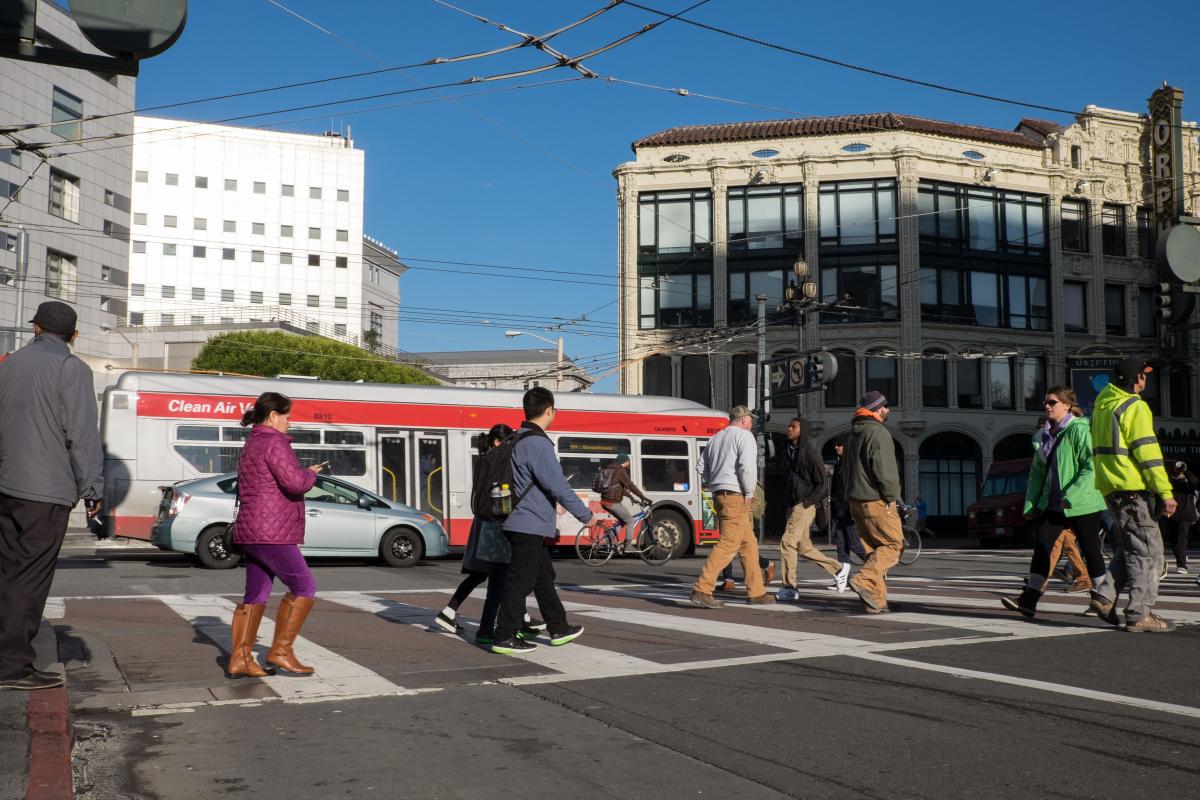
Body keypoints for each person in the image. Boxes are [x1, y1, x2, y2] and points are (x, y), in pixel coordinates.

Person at [0, 302, 103, 691]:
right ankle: (11, 667)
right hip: (45, 492)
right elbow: (82, 433)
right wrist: (93, 486)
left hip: (7, 486)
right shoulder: (70, 368)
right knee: (30, 578)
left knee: (8, 572)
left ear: (37, 327)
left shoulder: (9, 364)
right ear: (73, 335)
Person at [227, 392, 324, 677]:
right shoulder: (274, 442)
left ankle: (240, 659)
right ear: (273, 416)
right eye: (287, 417)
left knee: (256, 594)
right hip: (272, 532)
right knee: (304, 586)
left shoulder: (251, 443)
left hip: (250, 530)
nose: (290, 423)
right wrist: (310, 474)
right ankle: (281, 651)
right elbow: (294, 483)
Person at [490, 388, 593, 655]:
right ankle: (504, 635)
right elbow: (557, 485)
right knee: (520, 581)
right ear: (549, 409)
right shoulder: (537, 443)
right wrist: (586, 515)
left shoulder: (517, 438)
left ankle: (558, 626)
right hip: (529, 522)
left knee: (543, 576)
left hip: (518, 519)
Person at [1001, 386, 1107, 618]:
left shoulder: (1080, 430)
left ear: (1067, 406)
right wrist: (1032, 504)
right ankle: (1029, 599)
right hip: (1055, 504)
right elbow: (1038, 475)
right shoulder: (1042, 437)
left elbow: (1090, 468)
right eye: (1046, 403)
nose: (1047, 406)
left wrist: (1072, 496)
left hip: (1084, 501)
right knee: (1042, 546)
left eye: (1052, 402)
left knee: (1090, 548)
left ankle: (1102, 598)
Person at [1090, 358, 1178, 633]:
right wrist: (1166, 493)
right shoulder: (1134, 406)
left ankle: (1104, 597)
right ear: (1132, 380)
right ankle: (1140, 613)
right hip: (1132, 489)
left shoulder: (1102, 406)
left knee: (1131, 547)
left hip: (1111, 488)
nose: (1145, 379)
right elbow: (1148, 454)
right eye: (1142, 375)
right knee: (1149, 553)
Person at [435, 425, 543, 644]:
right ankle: (497, 626)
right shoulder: (497, 462)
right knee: (503, 578)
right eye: (510, 442)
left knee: (493, 577)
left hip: (488, 525)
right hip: (498, 526)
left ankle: (509, 621)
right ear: (497, 442)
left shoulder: (488, 460)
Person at [690, 406, 776, 608]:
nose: (752, 423)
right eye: (751, 420)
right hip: (737, 495)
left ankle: (756, 591)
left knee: (749, 544)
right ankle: (702, 588)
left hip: (721, 494)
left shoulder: (716, 438)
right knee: (729, 544)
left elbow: (700, 467)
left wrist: (716, 483)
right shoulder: (745, 437)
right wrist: (748, 492)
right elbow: (747, 467)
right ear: (745, 420)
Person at [842, 392, 903, 614]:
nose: (888, 409)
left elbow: (845, 472)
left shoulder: (852, 435)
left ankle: (877, 601)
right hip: (876, 500)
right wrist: (893, 499)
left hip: (855, 501)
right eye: (886, 405)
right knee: (893, 546)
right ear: (877, 409)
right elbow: (885, 473)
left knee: (874, 551)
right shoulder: (878, 433)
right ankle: (864, 580)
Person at [776, 418, 844, 600]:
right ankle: (839, 569)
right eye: (789, 425)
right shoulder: (790, 451)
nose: (788, 429)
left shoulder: (811, 453)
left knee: (787, 542)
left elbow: (822, 484)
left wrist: (807, 503)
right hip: (794, 504)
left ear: (802, 430)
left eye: (793, 427)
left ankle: (790, 587)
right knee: (804, 548)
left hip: (804, 505)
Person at [717, 482, 775, 591]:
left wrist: (742, 513)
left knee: (738, 549)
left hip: (741, 520)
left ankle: (766, 566)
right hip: (729, 518)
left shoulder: (744, 480)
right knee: (728, 547)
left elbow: (755, 500)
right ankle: (728, 580)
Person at [827, 439, 866, 591]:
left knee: (854, 543)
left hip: (849, 509)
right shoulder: (839, 464)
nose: (836, 447)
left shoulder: (853, 464)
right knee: (841, 545)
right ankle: (843, 579)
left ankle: (877, 569)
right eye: (835, 444)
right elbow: (836, 489)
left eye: (839, 444)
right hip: (839, 508)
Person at [596, 453, 652, 554]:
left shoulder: (610, 469)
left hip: (604, 501)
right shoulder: (620, 470)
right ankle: (628, 546)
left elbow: (618, 487)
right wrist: (643, 497)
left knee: (623, 521)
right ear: (625, 461)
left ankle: (607, 539)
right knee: (630, 521)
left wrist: (632, 498)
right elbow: (630, 486)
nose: (629, 462)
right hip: (612, 502)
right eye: (628, 461)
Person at [1161, 461, 1197, 574]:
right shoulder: (1169, 481)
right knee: (1173, 539)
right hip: (1171, 513)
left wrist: (1186, 472)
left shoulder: (1188, 481)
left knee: (1182, 538)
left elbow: (1196, 483)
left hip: (1185, 514)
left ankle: (1182, 565)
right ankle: (1181, 557)